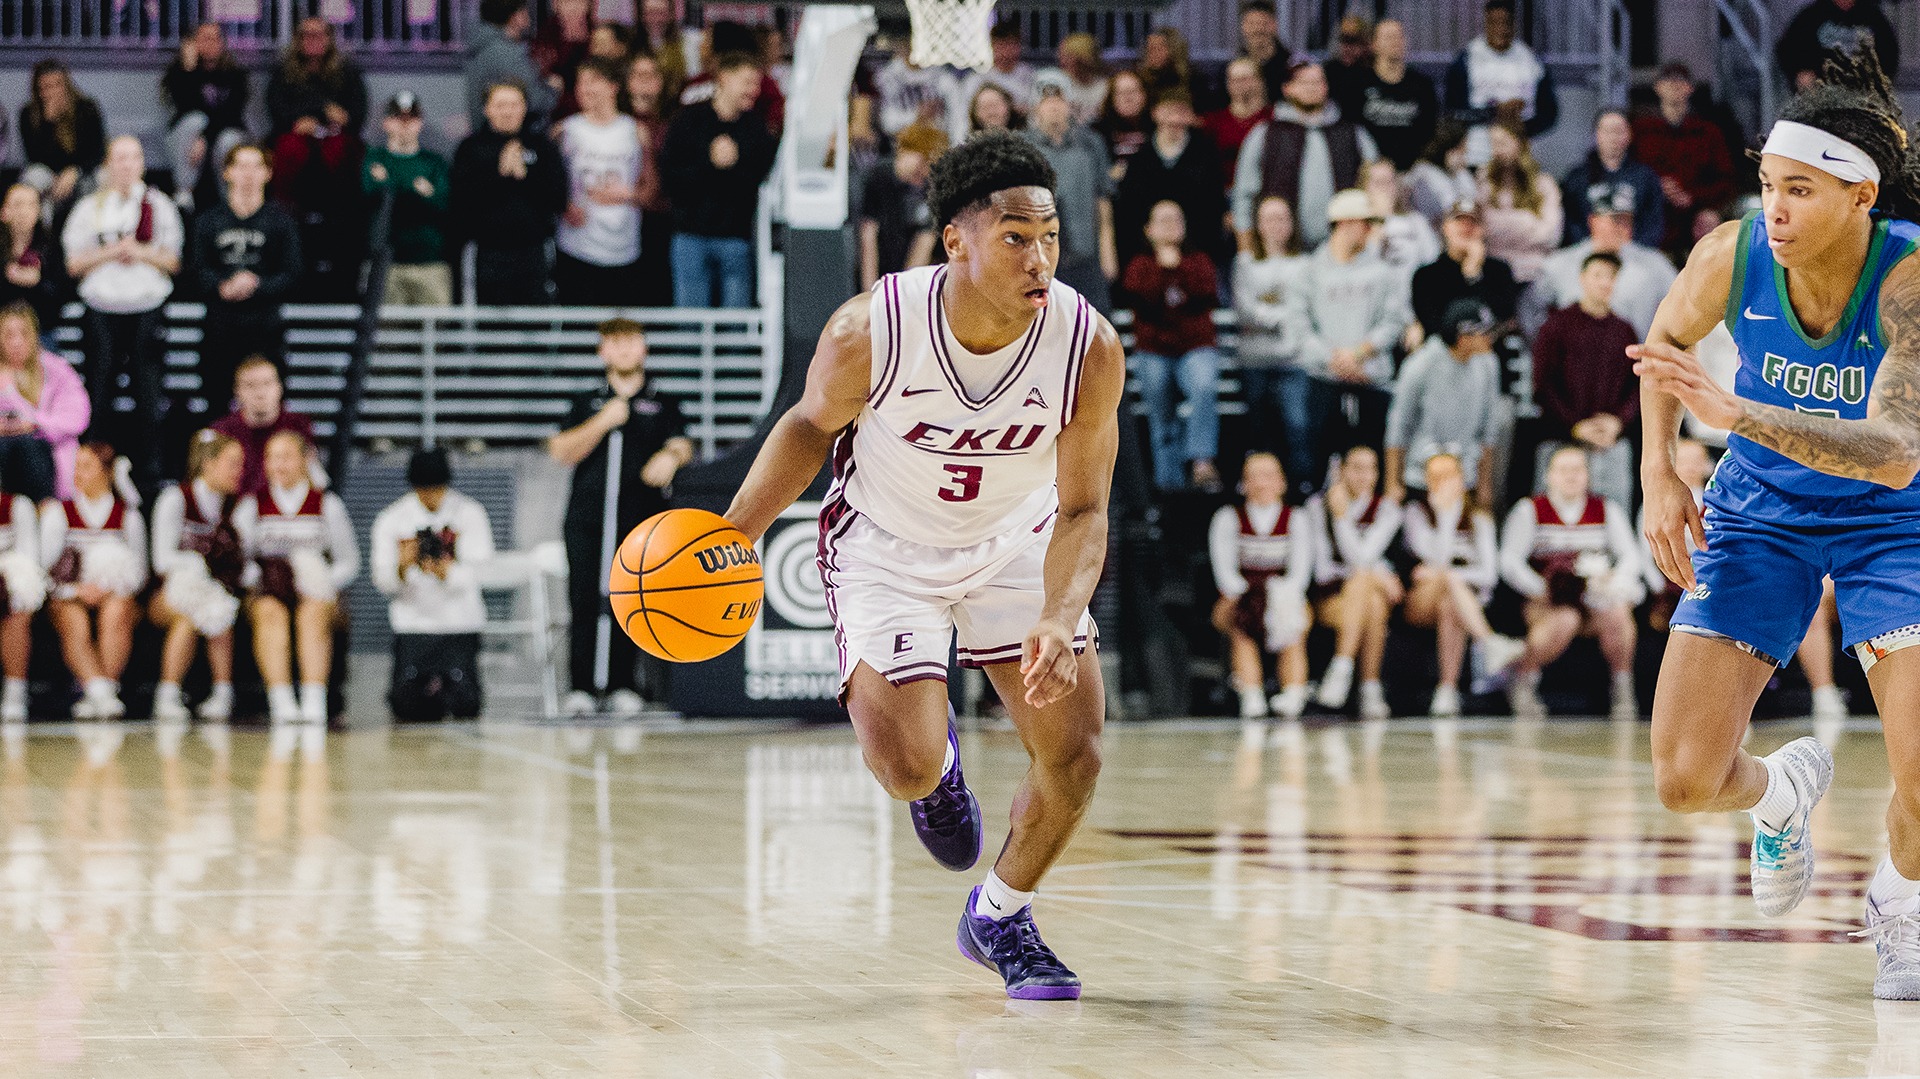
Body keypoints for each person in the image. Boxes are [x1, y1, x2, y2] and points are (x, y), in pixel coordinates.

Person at [722, 133, 1125, 1000]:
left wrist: (1059, 614)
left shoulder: (1087, 347)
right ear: (956, 240)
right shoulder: (872, 328)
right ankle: (936, 773)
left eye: (1050, 237)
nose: (1040, 258)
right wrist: (737, 533)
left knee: (1076, 752)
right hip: (887, 549)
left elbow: (1085, 508)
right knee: (902, 765)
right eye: (1015, 237)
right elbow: (808, 427)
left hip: (1017, 542)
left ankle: (1001, 914)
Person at [1631, 47, 1920, 996]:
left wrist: (1737, 414)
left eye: (1799, 189)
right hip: (1761, 512)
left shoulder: (1910, 280)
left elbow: (1896, 453)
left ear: (1860, 196)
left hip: (1896, 521)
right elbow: (1665, 341)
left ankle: (1900, 902)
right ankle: (1780, 790)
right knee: (1685, 778)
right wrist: (1659, 471)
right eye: (1768, 186)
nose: (1776, 209)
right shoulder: (1732, 253)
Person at [547, 318, 691, 715]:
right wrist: (603, 421)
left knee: (632, 600)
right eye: (615, 342)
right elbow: (560, 450)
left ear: (644, 348)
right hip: (587, 516)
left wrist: (671, 455)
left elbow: (683, 443)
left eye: (632, 341)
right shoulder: (587, 400)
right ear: (602, 351)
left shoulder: (662, 400)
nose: (625, 349)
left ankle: (626, 683)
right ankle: (580, 686)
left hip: (641, 519)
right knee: (583, 599)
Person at [62, 136, 183, 497]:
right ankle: (93, 475)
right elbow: (73, 263)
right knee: (99, 395)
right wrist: (113, 251)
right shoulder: (89, 208)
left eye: (133, 157)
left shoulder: (159, 206)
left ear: (142, 163)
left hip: (146, 309)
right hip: (102, 310)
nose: (127, 165)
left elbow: (174, 261)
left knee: (149, 398)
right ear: (108, 164)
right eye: (120, 158)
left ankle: (150, 478)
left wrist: (140, 253)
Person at [1498, 445, 1642, 720]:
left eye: (1577, 470)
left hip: (1593, 597)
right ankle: (1523, 680)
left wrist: (1614, 581)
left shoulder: (1606, 509)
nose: (1571, 476)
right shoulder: (1530, 510)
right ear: (1549, 475)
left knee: (1618, 615)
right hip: (1550, 600)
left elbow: (1630, 555)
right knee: (1565, 620)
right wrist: (1540, 589)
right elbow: (1509, 560)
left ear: (1588, 475)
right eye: (1563, 470)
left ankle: (1622, 686)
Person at [234, 429, 358, 725]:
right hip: (269, 590)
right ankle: (282, 703)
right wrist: (259, 578)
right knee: (270, 613)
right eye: (272, 458)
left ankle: (314, 701)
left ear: (305, 460)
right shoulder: (252, 505)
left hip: (316, 590)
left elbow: (349, 562)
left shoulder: (327, 504)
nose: (278, 465)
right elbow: (239, 559)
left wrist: (320, 582)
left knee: (312, 614)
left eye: (286, 457)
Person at [1292, 188, 1410, 488]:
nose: (1371, 230)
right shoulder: (1310, 270)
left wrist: (1357, 354)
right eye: (1365, 223)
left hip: (1370, 379)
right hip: (1323, 379)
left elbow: (1393, 320)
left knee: (1372, 465)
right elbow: (1298, 326)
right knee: (1318, 466)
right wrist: (1333, 358)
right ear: (1344, 224)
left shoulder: (1382, 271)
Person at [370, 448, 496, 723]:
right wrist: (403, 567)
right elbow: (382, 580)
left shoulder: (469, 513)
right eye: (423, 490)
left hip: (459, 624)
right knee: (408, 704)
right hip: (413, 625)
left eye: (436, 489)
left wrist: (444, 571)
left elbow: (482, 572)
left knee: (465, 702)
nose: (430, 497)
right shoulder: (393, 518)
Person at [1400, 450, 1521, 717]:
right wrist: (1445, 516)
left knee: (1450, 603)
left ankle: (1447, 691)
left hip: (1465, 601)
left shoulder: (1479, 517)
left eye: (1449, 475)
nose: (1442, 483)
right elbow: (1437, 557)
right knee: (1446, 582)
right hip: (1421, 602)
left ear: (1462, 478)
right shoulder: (1416, 513)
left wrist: (1447, 575)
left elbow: (1489, 575)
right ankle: (1488, 642)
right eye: (1435, 477)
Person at [190, 143, 302, 411]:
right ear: (227, 172)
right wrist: (221, 286)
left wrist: (257, 284)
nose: (248, 174)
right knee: (216, 405)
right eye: (241, 166)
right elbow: (195, 270)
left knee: (268, 407)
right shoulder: (208, 221)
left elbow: (293, 274)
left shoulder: (281, 222)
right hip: (219, 328)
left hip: (265, 328)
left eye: (256, 166)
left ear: (268, 173)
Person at [662, 52, 777, 309]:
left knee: (735, 324)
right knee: (691, 322)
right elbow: (670, 177)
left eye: (756, 84)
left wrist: (735, 161)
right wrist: (709, 161)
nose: (754, 90)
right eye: (747, 82)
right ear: (724, 78)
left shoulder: (756, 129)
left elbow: (759, 180)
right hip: (690, 235)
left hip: (736, 238)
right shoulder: (688, 121)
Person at [149, 429, 247, 725]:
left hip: (217, 591)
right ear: (208, 464)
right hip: (171, 590)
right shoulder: (175, 498)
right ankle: (167, 695)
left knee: (220, 612)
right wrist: (197, 565)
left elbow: (244, 559)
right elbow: (161, 560)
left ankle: (222, 694)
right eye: (232, 464)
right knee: (188, 616)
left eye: (241, 464)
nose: (239, 471)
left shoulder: (238, 505)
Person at [268, 18, 370, 303]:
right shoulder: (284, 72)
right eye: (307, 34)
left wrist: (339, 118)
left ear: (329, 38)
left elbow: (357, 114)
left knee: (340, 149)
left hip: (335, 138)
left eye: (319, 34)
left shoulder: (347, 72)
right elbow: (277, 110)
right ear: (298, 39)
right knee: (289, 147)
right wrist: (303, 119)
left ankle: (340, 215)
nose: (313, 39)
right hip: (299, 137)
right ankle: (286, 211)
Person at [1122, 200, 1221, 491]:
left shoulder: (1198, 261)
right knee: (1160, 410)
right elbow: (1141, 301)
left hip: (1194, 346)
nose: (1170, 226)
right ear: (1149, 230)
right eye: (1163, 220)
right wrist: (1163, 268)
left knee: (1203, 386)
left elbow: (1206, 294)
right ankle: (1169, 483)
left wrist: (1178, 267)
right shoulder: (1140, 265)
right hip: (1155, 349)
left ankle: (1202, 462)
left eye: (1176, 219)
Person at [43, 443, 147, 720]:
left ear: (107, 472)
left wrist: (110, 587)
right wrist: (75, 589)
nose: (78, 473)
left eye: (87, 467)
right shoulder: (59, 512)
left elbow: (140, 573)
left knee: (118, 611)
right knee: (73, 620)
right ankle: (102, 693)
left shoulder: (128, 515)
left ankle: (97, 694)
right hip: (68, 594)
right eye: (76, 466)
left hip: (113, 593)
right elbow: (44, 569)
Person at [1530, 251, 1641, 508]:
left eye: (1611, 277)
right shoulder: (1557, 325)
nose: (1605, 282)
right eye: (1598, 275)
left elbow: (1636, 386)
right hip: (1561, 439)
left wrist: (1618, 421)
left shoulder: (1624, 330)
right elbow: (1543, 385)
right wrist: (1575, 425)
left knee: (1613, 513)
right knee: (1554, 513)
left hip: (1610, 442)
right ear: (1582, 279)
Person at [1232, 61, 1377, 251]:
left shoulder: (1353, 133)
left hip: (1344, 250)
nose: (1311, 88)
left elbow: (1376, 187)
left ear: (1326, 87)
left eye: (1317, 82)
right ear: (1287, 88)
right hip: (1282, 252)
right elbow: (1244, 194)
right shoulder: (1265, 133)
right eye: (1303, 82)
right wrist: (1246, 248)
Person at [1210, 452, 1312, 720]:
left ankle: (1293, 691)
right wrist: (1252, 600)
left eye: (1268, 476)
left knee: (1295, 620)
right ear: (1243, 484)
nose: (1261, 483)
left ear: (1281, 482)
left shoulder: (1296, 518)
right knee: (1239, 620)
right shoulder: (1228, 518)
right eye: (1253, 477)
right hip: (1242, 597)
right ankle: (1250, 692)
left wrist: (1276, 599)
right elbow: (1225, 574)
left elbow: (1300, 573)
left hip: (1284, 597)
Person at [450, 82, 569, 306]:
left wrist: (526, 176)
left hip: (534, 252)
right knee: (485, 321)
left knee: (536, 318)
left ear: (524, 108)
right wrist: (500, 175)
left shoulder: (542, 147)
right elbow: (461, 203)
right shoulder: (471, 148)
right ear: (487, 109)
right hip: (486, 253)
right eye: (500, 105)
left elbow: (558, 199)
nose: (507, 112)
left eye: (514, 105)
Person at [1305, 445, 1401, 718]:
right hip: (1330, 597)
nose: (1364, 476)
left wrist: (1342, 518)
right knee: (1368, 590)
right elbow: (1323, 571)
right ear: (1341, 471)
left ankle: (1342, 667)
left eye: (1370, 469)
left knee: (1372, 599)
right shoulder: (1317, 507)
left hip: (1363, 599)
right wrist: (1379, 575)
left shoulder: (1387, 509)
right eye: (1357, 468)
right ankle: (1370, 688)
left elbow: (1361, 557)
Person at [1383, 298, 1502, 507]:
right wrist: (1393, 482)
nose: (1491, 338)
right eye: (1484, 332)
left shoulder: (1488, 364)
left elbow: (1488, 429)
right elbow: (1398, 427)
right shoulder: (1420, 364)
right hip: (1420, 475)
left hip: (1466, 475)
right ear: (1463, 337)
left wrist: (1485, 485)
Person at [1523, 180, 1677, 340]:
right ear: (1593, 220)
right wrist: (1545, 348)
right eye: (1615, 219)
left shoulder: (1655, 264)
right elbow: (1529, 308)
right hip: (1579, 354)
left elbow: (1682, 307)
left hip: (1638, 352)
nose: (1622, 227)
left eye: (1627, 220)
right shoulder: (1560, 264)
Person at [556, 59, 646, 306]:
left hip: (624, 247)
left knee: (620, 324)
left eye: (593, 81)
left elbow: (653, 190)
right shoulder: (566, 131)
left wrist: (629, 195)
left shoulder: (634, 131)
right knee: (579, 323)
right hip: (577, 247)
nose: (585, 89)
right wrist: (564, 205)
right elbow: (548, 183)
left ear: (613, 86)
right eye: (581, 82)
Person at [1022, 85, 1118, 311]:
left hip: (1087, 254)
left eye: (1059, 99)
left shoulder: (1091, 143)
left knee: (1095, 322)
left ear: (1070, 105)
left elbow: (1102, 200)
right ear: (1035, 108)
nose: (1054, 106)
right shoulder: (1022, 146)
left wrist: (1108, 250)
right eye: (1047, 100)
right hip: (1039, 259)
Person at [1633, 63, 1737, 257]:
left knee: (1710, 225)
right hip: (1653, 215)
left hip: (1695, 215)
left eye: (1680, 80)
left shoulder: (1708, 132)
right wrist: (1656, 186)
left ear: (1690, 88)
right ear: (1657, 87)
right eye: (1668, 80)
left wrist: (1694, 198)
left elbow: (1726, 180)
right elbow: (1629, 173)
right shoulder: (1641, 131)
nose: (1674, 85)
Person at [1114, 90, 1226, 270]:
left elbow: (1214, 207)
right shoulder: (1140, 159)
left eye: (1181, 112)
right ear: (1155, 113)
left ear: (1190, 116)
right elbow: (1130, 211)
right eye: (1168, 112)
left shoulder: (1206, 155)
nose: (1174, 119)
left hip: (1198, 255)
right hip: (1147, 257)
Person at [1233, 195, 1307, 458]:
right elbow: (1245, 311)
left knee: (1298, 426)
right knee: (1258, 430)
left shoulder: (1305, 264)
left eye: (1282, 218)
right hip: (1254, 358)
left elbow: (1304, 309)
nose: (1277, 225)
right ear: (1259, 225)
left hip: (1294, 359)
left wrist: (1268, 314)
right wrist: (1284, 318)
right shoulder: (1245, 263)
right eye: (1270, 219)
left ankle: (1300, 480)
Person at [364, 93, 452, 307]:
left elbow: (444, 204)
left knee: (435, 327)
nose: (405, 125)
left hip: (430, 263)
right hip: (386, 263)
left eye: (411, 119)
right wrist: (418, 191)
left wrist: (390, 182)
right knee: (387, 327)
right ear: (386, 123)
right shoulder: (373, 158)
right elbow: (370, 195)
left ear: (420, 123)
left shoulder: (434, 163)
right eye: (398, 118)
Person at [1445, 0, 1558, 164]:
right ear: (1485, 23)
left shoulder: (1530, 60)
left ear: (1514, 24)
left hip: (1520, 158)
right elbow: (1453, 113)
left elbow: (1549, 113)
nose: (1501, 29)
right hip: (1477, 156)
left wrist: (1520, 127)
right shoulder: (1468, 59)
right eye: (1494, 22)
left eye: (1506, 22)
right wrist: (1493, 112)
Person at [0, 303, 88, 501]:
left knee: (29, 445)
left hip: (47, 458)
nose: (16, 342)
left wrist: (33, 423)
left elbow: (77, 418)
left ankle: (44, 509)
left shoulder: (57, 369)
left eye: (23, 334)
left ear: (34, 336)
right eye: (9, 335)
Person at [1410, 197, 1519, 342]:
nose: (1466, 227)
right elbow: (1432, 323)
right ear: (1445, 227)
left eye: (1473, 222)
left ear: (1483, 230)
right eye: (1459, 220)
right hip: (1447, 350)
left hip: (1491, 348)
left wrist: (1474, 277)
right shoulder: (1426, 275)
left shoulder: (1499, 270)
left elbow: (1503, 315)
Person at [210, 357, 318, 497]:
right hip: (235, 506)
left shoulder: (298, 426)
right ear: (237, 391)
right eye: (250, 385)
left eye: (267, 383)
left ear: (279, 387)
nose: (260, 393)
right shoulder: (222, 431)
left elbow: (313, 477)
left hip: (284, 506)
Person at [1561, 109, 1665, 249]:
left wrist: (1631, 249)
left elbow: (1653, 223)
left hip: (1635, 253)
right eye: (1607, 131)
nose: (1613, 137)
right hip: (1588, 252)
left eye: (1619, 131)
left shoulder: (1646, 177)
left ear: (1629, 135)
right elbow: (1570, 222)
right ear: (1595, 135)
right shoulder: (1576, 178)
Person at [18, 60, 106, 217]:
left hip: (80, 172)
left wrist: (75, 171)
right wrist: (48, 124)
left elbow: (98, 152)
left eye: (57, 85)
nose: (53, 92)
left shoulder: (87, 109)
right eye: (46, 87)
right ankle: (42, 228)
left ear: (67, 85)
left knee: (99, 177)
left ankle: (88, 225)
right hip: (49, 174)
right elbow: (33, 158)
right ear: (37, 90)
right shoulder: (28, 114)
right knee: (34, 176)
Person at [1477, 120, 1561, 283]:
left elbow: (1551, 236)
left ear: (1520, 143)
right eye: (1493, 144)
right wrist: (1527, 220)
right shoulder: (1485, 181)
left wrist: (1502, 224)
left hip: (1536, 272)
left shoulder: (1544, 184)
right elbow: (1483, 229)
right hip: (1495, 270)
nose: (1497, 150)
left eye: (1503, 143)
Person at [627, 52, 677, 307]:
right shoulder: (616, 120)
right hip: (619, 220)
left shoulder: (671, 124)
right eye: (638, 75)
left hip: (658, 221)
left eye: (651, 75)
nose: (644, 82)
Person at [1353, 19, 1437, 172]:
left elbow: (1430, 131)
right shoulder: (1358, 84)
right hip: (1370, 171)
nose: (1395, 42)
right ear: (1374, 44)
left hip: (1412, 173)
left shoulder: (1422, 85)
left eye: (1399, 36)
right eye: (1388, 37)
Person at [466, 0, 558, 134]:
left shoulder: (483, 47)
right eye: (524, 10)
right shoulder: (507, 53)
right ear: (515, 17)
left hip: (486, 135)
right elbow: (534, 100)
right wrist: (553, 89)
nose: (529, 15)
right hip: (513, 137)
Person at [859, 147, 936, 291]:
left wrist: (902, 292)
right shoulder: (879, 176)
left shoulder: (929, 186)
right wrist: (869, 292)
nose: (924, 172)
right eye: (923, 163)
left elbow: (925, 240)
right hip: (881, 260)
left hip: (906, 269)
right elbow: (868, 236)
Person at [1776, 0, 1898, 91]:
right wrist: (1800, 72)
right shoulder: (1811, 15)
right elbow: (1788, 49)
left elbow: (1889, 53)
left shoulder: (1873, 17)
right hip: (1821, 89)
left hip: (1860, 88)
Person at [0, 472, 40, 723]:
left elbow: (29, 560)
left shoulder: (17, 506)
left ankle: (15, 692)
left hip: (10, 585)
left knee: (17, 612)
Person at [957, 21, 1038, 134]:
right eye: (1000, 45)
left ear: (1018, 46)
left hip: (1024, 136)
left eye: (1010, 44)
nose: (1005, 52)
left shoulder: (1033, 77)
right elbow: (963, 119)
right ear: (992, 46)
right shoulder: (976, 81)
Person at [1364, 159, 1439, 280]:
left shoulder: (1416, 221)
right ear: (1365, 187)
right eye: (1378, 182)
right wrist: (1378, 222)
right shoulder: (1360, 225)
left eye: (1390, 181)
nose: (1385, 188)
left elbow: (1432, 261)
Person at [0, 185, 61, 333]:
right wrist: (5, 274)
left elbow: (61, 294)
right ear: (4, 212)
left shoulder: (50, 247)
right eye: (18, 204)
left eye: (31, 205)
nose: (24, 212)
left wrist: (38, 281)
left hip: (40, 330)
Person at [1202, 58, 1268, 192]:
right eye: (1234, 80)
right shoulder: (1214, 122)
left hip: (1265, 192)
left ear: (1259, 81)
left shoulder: (1274, 118)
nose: (1239, 84)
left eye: (1245, 79)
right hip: (1224, 192)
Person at [874, 41, 962, 140]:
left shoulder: (945, 77)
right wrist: (917, 115)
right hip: (902, 143)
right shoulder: (887, 76)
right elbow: (887, 123)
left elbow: (958, 119)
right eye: (905, 42)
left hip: (940, 140)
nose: (911, 48)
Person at [1406, 119, 1476, 228]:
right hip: (1431, 231)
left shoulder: (1459, 172)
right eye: (1461, 148)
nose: (1465, 152)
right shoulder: (1423, 175)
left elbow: (1473, 201)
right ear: (1449, 150)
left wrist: (1458, 172)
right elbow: (1450, 210)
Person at [530, 0, 594, 118]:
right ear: (556, 5)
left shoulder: (596, 33)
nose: (573, 8)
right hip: (557, 107)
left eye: (580, 2)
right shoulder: (546, 34)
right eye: (567, 2)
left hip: (592, 101)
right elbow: (539, 72)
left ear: (589, 5)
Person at [1033, 33, 1107, 126]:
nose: (1063, 60)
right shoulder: (1054, 82)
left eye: (1070, 56)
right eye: (1063, 55)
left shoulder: (1104, 86)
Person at [1093, 70, 1150, 184]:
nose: (1128, 98)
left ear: (1144, 95)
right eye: (1121, 93)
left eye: (1133, 92)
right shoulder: (1097, 132)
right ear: (1111, 99)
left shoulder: (1157, 127)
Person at [1236, 0, 1295, 104]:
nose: (1258, 29)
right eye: (1252, 23)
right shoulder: (1234, 68)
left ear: (1275, 25)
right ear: (1243, 27)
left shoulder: (1292, 66)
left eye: (1264, 23)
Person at [1136, 27, 1193, 106]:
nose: (1153, 52)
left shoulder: (1191, 80)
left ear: (1174, 50)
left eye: (1159, 48)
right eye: (1149, 48)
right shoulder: (1138, 80)